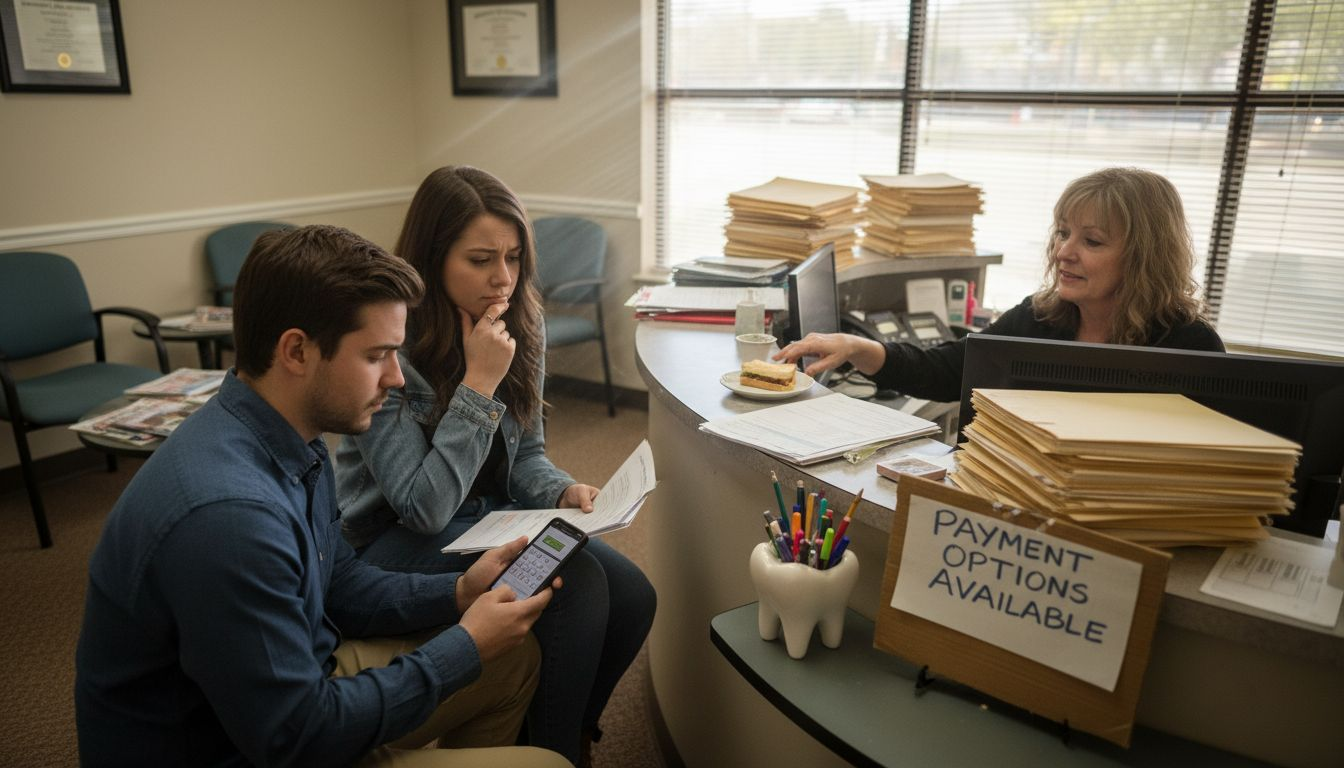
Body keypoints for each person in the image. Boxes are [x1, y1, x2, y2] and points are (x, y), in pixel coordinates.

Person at [75, 225, 569, 768]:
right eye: (377, 354)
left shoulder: (290, 437)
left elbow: (338, 583)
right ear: (296, 351)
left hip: (283, 698)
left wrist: (457, 594)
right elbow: (298, 735)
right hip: (246, 746)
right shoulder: (229, 519)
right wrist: (464, 647)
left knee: (513, 657)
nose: (397, 378)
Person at [335, 166, 656, 766]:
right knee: (575, 578)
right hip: (389, 539)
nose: (502, 278)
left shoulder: (517, 323)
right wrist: (480, 382)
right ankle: (554, 753)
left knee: (635, 593)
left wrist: (563, 492)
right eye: (481, 259)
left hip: (487, 516)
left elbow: (527, 457)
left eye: (512, 257)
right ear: (433, 260)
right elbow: (422, 508)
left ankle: (568, 727)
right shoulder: (390, 349)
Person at [776, 167, 1225, 401]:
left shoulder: (1188, 346)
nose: (1064, 251)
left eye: (1091, 241)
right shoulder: (1040, 317)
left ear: (1143, 257)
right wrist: (856, 347)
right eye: (1063, 232)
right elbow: (948, 372)